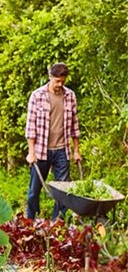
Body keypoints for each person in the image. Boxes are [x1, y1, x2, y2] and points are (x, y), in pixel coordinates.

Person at [25, 62, 81, 221]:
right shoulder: (37, 96)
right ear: (50, 77)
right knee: (33, 192)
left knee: (64, 192)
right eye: (57, 81)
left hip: (62, 151)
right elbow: (30, 127)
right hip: (41, 151)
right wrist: (31, 152)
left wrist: (76, 151)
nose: (60, 84)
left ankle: (58, 227)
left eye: (63, 81)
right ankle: (31, 224)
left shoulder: (70, 96)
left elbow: (74, 126)